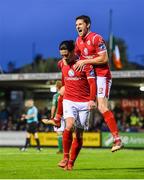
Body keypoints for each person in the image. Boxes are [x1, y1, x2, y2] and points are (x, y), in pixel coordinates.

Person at [43, 40, 96, 170]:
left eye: (66, 55)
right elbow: (64, 78)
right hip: (69, 100)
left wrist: (91, 99)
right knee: (69, 125)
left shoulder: (85, 65)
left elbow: (92, 84)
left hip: (84, 103)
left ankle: (71, 162)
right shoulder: (61, 63)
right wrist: (63, 87)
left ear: (73, 52)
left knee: (78, 134)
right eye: (62, 55)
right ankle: (65, 157)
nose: (64, 58)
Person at [74, 15, 122, 152]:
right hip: (91, 77)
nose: (77, 27)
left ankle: (117, 139)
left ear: (87, 25)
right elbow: (76, 57)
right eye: (76, 24)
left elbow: (104, 58)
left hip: (102, 76)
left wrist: (85, 61)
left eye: (80, 24)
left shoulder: (96, 38)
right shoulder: (78, 41)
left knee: (102, 106)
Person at [51, 80, 65, 154]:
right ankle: (69, 149)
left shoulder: (56, 96)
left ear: (57, 87)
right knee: (67, 132)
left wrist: (52, 116)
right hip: (67, 115)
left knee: (59, 133)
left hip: (59, 115)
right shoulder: (67, 94)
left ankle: (60, 149)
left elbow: (53, 106)